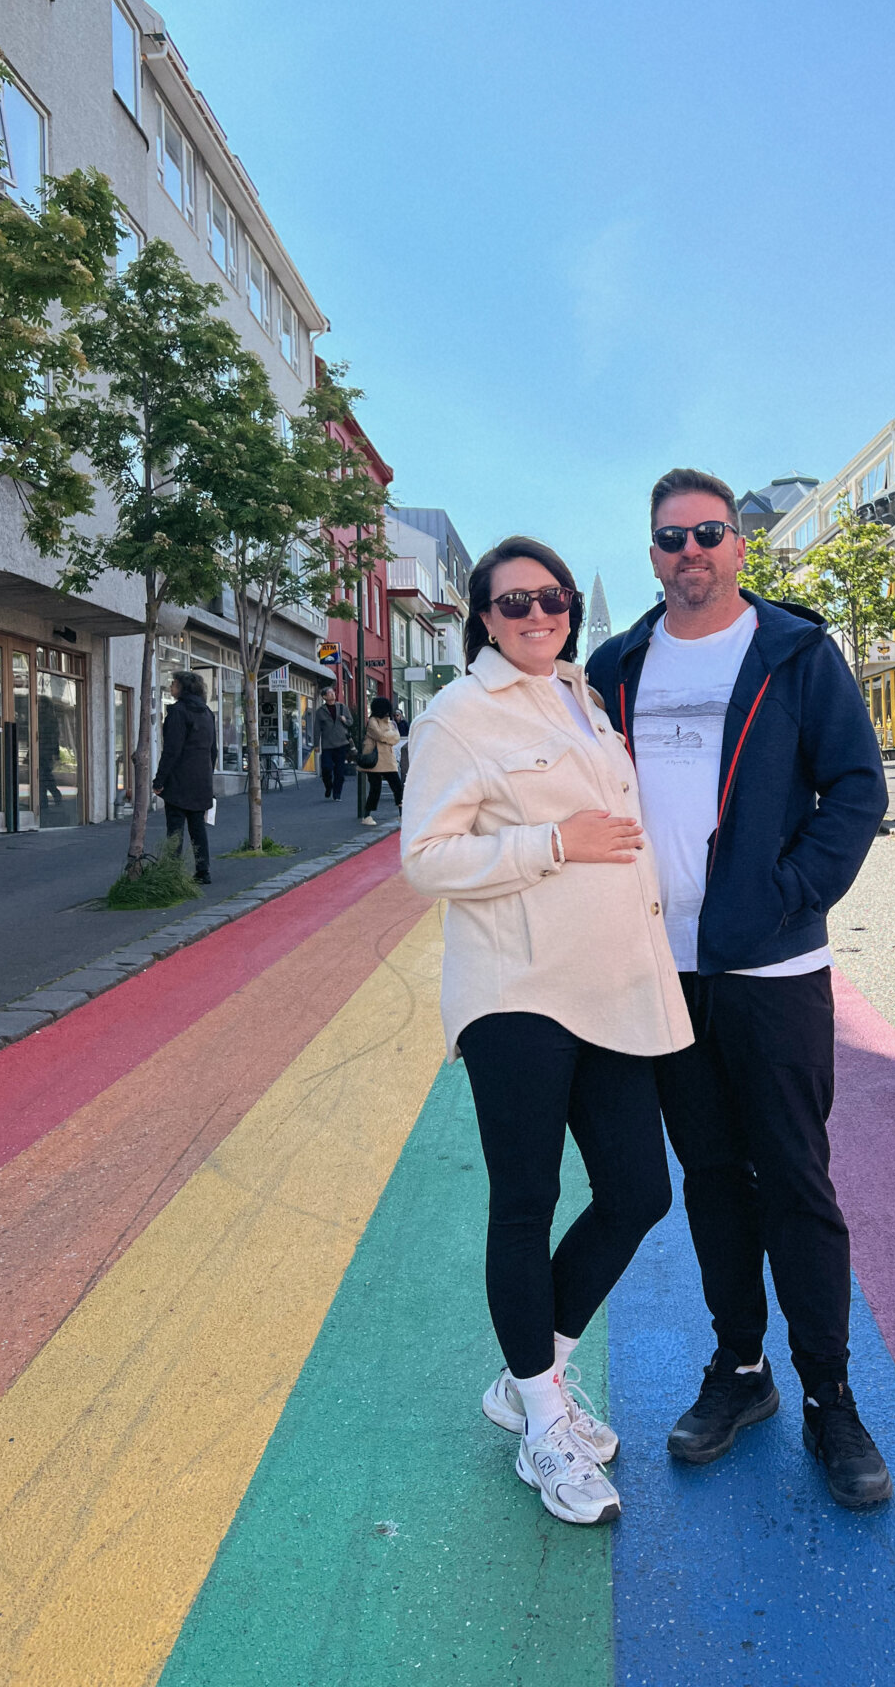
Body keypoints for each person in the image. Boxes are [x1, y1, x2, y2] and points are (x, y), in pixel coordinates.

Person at [587, 467, 894, 1511]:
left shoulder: (795, 653)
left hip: (773, 970)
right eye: (671, 538)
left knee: (796, 1183)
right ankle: (743, 1372)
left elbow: (856, 787)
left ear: (739, 547)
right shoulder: (614, 665)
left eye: (708, 534)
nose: (691, 553)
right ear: (653, 551)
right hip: (663, 974)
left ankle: (831, 1397)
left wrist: (790, 890)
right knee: (714, 1179)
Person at [400, 536, 692, 1528]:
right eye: (514, 601)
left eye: (553, 599)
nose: (538, 615)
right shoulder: (457, 716)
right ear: (482, 615)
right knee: (525, 1201)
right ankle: (540, 1421)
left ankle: (533, 1377)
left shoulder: (583, 699)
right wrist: (551, 845)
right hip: (517, 991)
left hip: (610, 988)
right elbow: (426, 858)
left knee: (638, 1191)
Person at [152, 671, 217, 883]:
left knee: (175, 829)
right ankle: (203, 871)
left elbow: (172, 750)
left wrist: (159, 780)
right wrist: (208, 773)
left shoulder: (179, 712)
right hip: (201, 779)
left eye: (174, 684)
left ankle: (172, 873)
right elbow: (213, 750)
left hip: (179, 780)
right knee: (198, 827)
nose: (171, 687)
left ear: (183, 687)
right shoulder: (207, 712)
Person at [360, 696, 403, 824]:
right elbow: (380, 735)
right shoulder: (373, 721)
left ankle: (402, 814)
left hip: (388, 759)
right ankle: (367, 815)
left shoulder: (389, 722)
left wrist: (387, 737)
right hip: (375, 759)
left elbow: (397, 737)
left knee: (397, 786)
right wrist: (389, 737)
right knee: (375, 788)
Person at [312, 685, 352, 800]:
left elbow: (350, 722)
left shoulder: (342, 707)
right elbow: (317, 729)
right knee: (326, 768)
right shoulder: (321, 711)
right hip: (327, 745)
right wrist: (316, 745)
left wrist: (345, 720)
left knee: (339, 771)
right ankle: (328, 786)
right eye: (329, 693)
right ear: (324, 697)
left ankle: (337, 794)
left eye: (333, 692)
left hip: (341, 744)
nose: (333, 694)